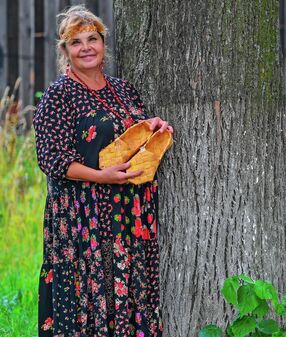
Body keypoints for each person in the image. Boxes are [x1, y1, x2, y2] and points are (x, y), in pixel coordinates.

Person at [34, 6, 172, 336]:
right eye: (76, 42)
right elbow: (51, 158)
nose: (86, 48)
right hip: (83, 218)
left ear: (103, 43)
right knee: (89, 293)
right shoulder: (59, 95)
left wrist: (152, 126)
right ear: (65, 51)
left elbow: (130, 138)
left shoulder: (123, 89)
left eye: (92, 39)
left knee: (128, 291)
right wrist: (101, 176)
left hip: (129, 216)